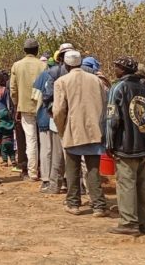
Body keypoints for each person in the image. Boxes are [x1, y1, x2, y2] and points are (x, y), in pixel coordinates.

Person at [106, 56, 145, 236]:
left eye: (117, 67)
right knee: (143, 184)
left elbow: (112, 119)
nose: (115, 69)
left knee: (126, 184)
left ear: (122, 69)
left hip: (126, 144)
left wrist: (109, 143)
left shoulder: (118, 87)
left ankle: (128, 223)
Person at [53, 50, 109, 217]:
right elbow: (105, 105)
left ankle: (73, 203)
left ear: (66, 64)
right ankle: (98, 205)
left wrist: (62, 129)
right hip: (94, 130)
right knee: (93, 169)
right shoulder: (96, 80)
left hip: (73, 130)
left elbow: (58, 111)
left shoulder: (61, 81)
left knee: (72, 169)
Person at [34, 43, 73, 193]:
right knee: (72, 153)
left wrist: (52, 112)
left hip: (57, 119)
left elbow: (46, 96)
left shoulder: (53, 72)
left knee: (56, 153)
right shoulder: (85, 73)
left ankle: (54, 185)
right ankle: (72, 184)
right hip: (74, 119)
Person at [10, 38, 47, 181]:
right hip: (41, 107)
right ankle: (44, 171)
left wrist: (16, 105)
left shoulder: (17, 66)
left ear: (24, 50)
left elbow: (13, 89)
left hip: (24, 107)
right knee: (43, 140)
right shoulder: (43, 66)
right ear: (37, 50)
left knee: (30, 140)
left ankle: (32, 173)